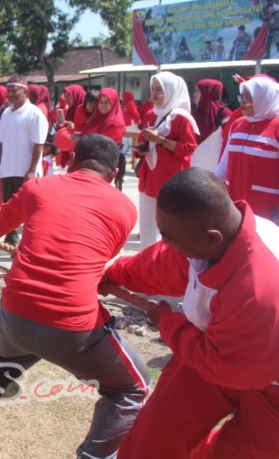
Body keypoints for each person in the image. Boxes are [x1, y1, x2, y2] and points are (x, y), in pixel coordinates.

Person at [0, 135, 149, 459]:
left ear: (72, 160)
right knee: (132, 388)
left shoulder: (38, 187)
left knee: (4, 354)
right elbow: (97, 257)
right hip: (73, 327)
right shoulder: (126, 208)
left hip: (17, 312)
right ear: (115, 174)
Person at [100, 168, 279, 458]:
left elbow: (229, 367)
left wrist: (167, 322)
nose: (167, 243)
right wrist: (113, 274)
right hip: (212, 352)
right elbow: (161, 264)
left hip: (260, 378)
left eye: (170, 238)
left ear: (212, 239)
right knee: (153, 439)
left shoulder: (257, 292)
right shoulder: (212, 238)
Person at [134, 72, 198, 249]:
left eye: (159, 90)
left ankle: (168, 260)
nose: (154, 94)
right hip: (149, 178)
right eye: (153, 89)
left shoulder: (181, 118)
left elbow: (188, 148)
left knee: (170, 226)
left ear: (171, 91)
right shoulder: (150, 114)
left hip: (170, 179)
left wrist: (161, 141)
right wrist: (142, 148)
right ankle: (148, 259)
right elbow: (145, 139)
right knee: (147, 225)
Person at [0, 74, 48, 247]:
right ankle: (11, 240)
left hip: (25, 171)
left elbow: (39, 143)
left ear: (25, 92)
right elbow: (0, 142)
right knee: (8, 207)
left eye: (14, 90)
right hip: (7, 170)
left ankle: (31, 244)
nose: (10, 94)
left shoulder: (35, 113)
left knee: (29, 210)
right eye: (8, 91)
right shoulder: (6, 114)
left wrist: (31, 170)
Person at [215, 75, 279, 223]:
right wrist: (207, 188)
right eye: (241, 97)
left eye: (247, 98)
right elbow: (224, 166)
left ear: (263, 98)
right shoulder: (237, 124)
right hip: (236, 206)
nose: (242, 102)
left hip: (268, 210)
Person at [190, 79, 231, 172]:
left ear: (206, 92)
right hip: (193, 170)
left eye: (196, 91)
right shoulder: (193, 114)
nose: (193, 94)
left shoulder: (224, 114)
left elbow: (229, 141)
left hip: (216, 171)